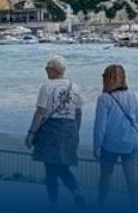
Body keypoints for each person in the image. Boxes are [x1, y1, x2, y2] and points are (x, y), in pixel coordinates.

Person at [26, 55, 85, 209]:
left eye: (47, 67)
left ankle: (54, 202)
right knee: (62, 166)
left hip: (51, 130)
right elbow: (78, 113)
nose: (45, 70)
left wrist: (31, 133)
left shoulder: (47, 86)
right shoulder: (75, 87)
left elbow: (40, 112)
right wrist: (76, 132)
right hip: (69, 129)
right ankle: (75, 190)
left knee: (51, 169)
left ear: (54, 70)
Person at [94, 64, 138, 209]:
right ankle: (135, 206)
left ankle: (100, 203)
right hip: (132, 140)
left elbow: (100, 125)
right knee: (132, 177)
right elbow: (137, 119)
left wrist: (97, 145)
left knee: (106, 174)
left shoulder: (104, 98)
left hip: (111, 143)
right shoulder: (132, 95)